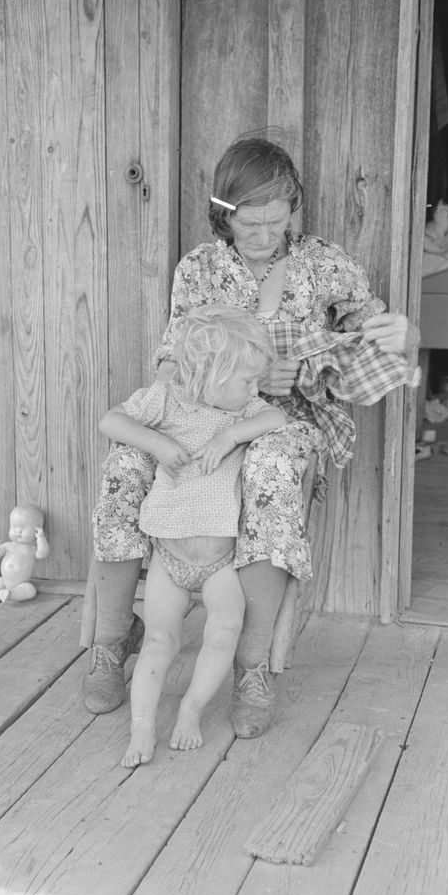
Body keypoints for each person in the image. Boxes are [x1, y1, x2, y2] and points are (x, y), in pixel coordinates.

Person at [80, 134, 420, 738]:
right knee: (128, 460)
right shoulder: (201, 268)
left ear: (293, 208)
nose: (264, 236)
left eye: (276, 221)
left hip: (282, 418)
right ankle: (111, 642)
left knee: (269, 470)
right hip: (201, 410)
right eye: (249, 224)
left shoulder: (325, 265)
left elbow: (375, 335)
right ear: (223, 212)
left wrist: (400, 335)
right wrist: (187, 410)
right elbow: (171, 362)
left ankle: (250, 667)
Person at [98, 305, 288, 766]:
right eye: (246, 380)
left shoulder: (244, 409)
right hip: (169, 559)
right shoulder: (165, 400)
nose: (254, 388)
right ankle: (142, 728)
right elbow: (112, 421)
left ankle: (191, 709)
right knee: (162, 640)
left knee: (223, 630)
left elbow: (277, 418)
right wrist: (157, 443)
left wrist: (232, 437)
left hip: (220, 564)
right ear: (211, 373)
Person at [0, 503, 50, 602]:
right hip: (3, 581)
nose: (18, 531)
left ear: (37, 530)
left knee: (30, 590)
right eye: (14, 527)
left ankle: (11, 594)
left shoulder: (31, 549)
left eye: (24, 528)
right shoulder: (8, 545)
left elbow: (42, 554)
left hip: (21, 584)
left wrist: (41, 539)